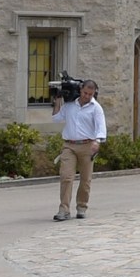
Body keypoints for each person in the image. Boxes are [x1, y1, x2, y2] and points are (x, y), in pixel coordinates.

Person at [51, 79, 106, 221]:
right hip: (69, 145)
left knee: (85, 179)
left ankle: (82, 206)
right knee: (66, 177)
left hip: (87, 145)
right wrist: (57, 100)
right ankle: (64, 209)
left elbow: (101, 127)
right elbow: (56, 118)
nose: (87, 96)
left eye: (90, 94)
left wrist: (97, 141)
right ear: (80, 90)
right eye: (85, 93)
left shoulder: (96, 108)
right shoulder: (70, 105)